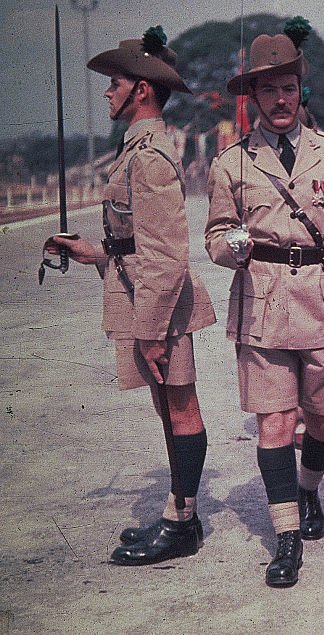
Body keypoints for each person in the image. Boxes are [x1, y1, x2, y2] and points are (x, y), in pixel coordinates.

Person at [204, 32, 324, 587]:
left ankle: (308, 488)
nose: (280, 99)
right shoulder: (232, 163)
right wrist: (231, 247)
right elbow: (215, 236)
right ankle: (287, 537)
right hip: (264, 302)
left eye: (289, 88)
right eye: (269, 89)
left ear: (301, 91)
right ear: (253, 95)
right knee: (273, 421)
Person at [47, 27, 216, 566]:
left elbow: (166, 253)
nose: (107, 91)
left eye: (115, 83)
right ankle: (179, 514)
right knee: (167, 407)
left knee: (180, 407)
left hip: (159, 303)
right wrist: (91, 252)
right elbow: (134, 240)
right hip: (142, 293)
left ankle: (182, 523)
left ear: (141, 90)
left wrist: (151, 331)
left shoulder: (150, 156)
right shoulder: (137, 150)